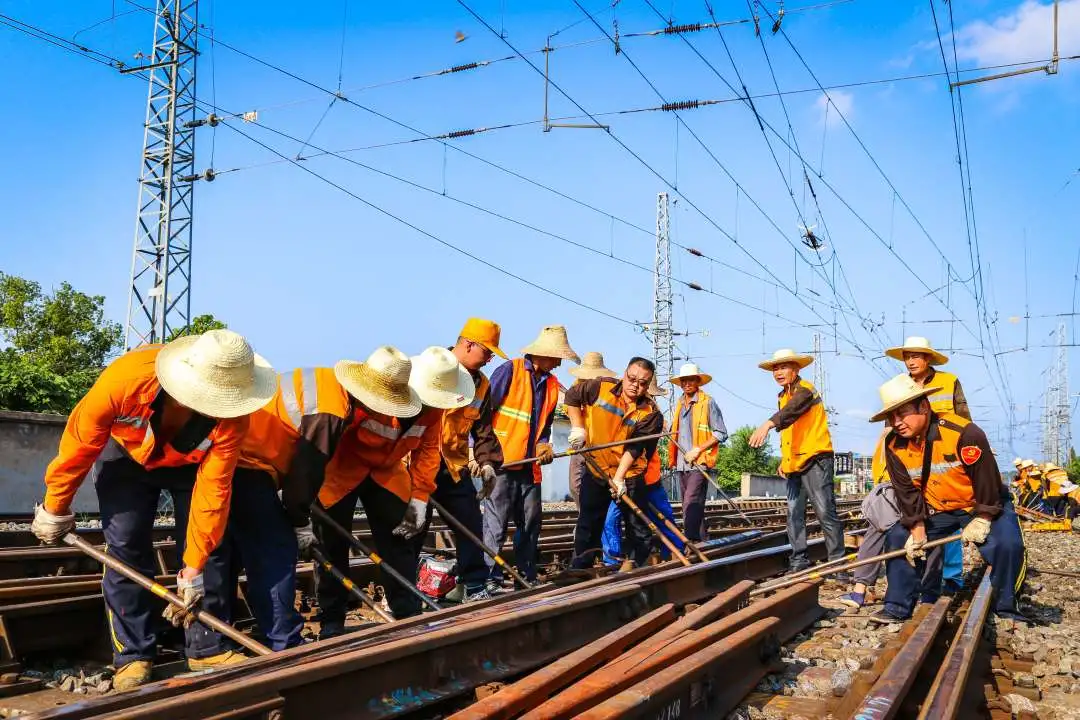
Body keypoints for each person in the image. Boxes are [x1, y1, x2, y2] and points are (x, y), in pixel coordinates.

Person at [31, 330, 277, 690]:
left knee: (212, 551)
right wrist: (56, 506)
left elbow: (214, 490)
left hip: (189, 465)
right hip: (124, 457)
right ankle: (132, 656)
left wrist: (192, 571)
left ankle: (206, 648)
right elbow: (80, 446)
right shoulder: (123, 381)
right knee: (126, 545)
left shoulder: (233, 417)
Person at [309, 346, 472, 631]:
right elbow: (331, 435)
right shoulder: (378, 394)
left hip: (386, 472)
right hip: (343, 469)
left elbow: (429, 451)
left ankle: (407, 613)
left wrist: (420, 499)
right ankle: (332, 620)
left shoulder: (433, 412)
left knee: (400, 539)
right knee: (332, 543)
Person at [868, 375, 1027, 624]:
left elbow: (987, 481)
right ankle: (898, 606)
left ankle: (1007, 607)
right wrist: (918, 531)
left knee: (1007, 545)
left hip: (982, 503)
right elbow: (906, 492)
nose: (896, 422)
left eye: (903, 414)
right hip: (938, 507)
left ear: (924, 406)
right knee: (899, 538)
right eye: (891, 417)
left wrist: (984, 518)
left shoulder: (965, 433)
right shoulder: (892, 445)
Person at [484, 325, 579, 587]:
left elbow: (544, 427)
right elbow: (484, 411)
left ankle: (525, 576)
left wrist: (543, 445)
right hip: (501, 462)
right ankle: (489, 577)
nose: (559, 363)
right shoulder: (510, 371)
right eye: (557, 357)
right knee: (496, 522)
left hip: (529, 467)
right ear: (542, 354)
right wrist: (477, 451)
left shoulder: (550, 385)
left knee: (530, 522)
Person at [885, 337, 970, 594]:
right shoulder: (900, 386)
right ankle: (926, 581)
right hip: (913, 457)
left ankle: (952, 575)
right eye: (907, 356)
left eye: (915, 356)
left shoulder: (948, 381)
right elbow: (892, 426)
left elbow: (963, 416)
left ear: (928, 358)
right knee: (920, 519)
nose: (910, 361)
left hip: (942, 453)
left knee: (947, 512)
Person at [430, 319, 506, 603]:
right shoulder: (434, 366)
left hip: (453, 464)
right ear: (467, 344)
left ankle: (473, 585)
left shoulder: (481, 385)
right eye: (487, 352)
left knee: (470, 523)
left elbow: (483, 429)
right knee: (413, 528)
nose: (489, 359)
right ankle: (406, 593)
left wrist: (487, 463)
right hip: (416, 463)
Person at [749, 349, 845, 573]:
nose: (778, 372)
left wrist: (767, 424)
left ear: (796, 369)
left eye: (783, 367)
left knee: (825, 512)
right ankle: (798, 561)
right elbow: (792, 432)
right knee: (793, 514)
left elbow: (793, 412)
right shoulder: (783, 396)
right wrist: (785, 460)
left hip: (816, 459)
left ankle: (838, 566)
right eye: (775, 368)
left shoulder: (805, 390)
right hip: (794, 463)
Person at [564, 357, 663, 569]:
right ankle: (582, 565)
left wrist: (619, 478)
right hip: (597, 468)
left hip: (629, 474)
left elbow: (636, 448)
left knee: (637, 525)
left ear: (648, 385)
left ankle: (637, 563)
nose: (635, 386)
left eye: (643, 383)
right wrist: (578, 427)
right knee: (588, 522)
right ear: (625, 374)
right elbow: (572, 397)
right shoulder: (600, 387)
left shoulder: (651, 414)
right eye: (632, 378)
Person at [601, 378, 681, 567]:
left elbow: (642, 451)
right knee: (610, 520)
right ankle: (612, 560)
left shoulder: (653, 415)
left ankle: (673, 553)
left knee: (663, 518)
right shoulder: (623, 411)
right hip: (624, 478)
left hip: (648, 478)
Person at [667, 362, 728, 542]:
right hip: (681, 463)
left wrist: (697, 449)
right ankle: (703, 542)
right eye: (684, 381)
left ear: (697, 381)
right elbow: (674, 430)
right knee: (695, 506)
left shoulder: (707, 402)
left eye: (691, 380)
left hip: (699, 462)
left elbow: (721, 433)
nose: (687, 384)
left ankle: (690, 542)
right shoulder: (679, 404)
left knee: (689, 504)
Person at [567, 352, 618, 505]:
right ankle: (584, 514)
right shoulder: (576, 387)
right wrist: (578, 428)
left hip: (600, 445)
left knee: (600, 485)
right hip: (580, 443)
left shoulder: (607, 389)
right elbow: (568, 405)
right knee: (575, 485)